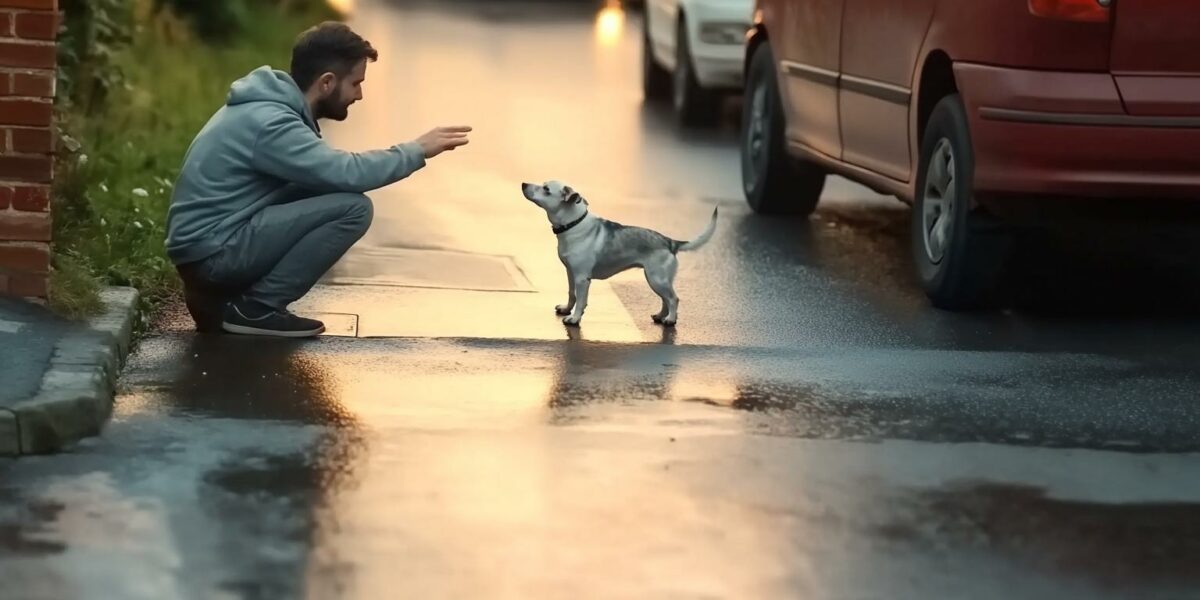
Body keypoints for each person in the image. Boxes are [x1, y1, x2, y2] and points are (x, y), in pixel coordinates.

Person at [166, 22, 470, 338]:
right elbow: (346, 172)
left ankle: (223, 301)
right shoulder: (272, 123)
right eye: (356, 83)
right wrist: (416, 150)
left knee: (316, 188)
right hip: (214, 255)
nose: (360, 94)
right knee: (352, 208)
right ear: (326, 82)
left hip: (209, 252)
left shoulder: (265, 110)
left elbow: (322, 177)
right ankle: (256, 308)